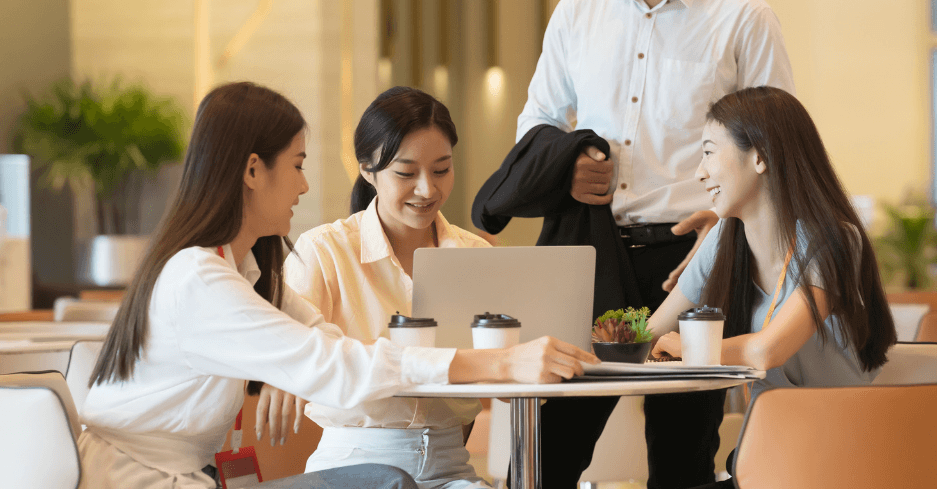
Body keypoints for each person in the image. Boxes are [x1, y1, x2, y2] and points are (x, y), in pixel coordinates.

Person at [78, 82, 598, 489]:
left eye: (441, 170)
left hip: (189, 476)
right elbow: (335, 368)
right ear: (254, 171)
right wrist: (497, 361)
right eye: (298, 165)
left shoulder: (250, 273)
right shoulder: (198, 279)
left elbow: (329, 344)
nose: (305, 185)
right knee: (384, 481)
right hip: (136, 480)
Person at [512, 0, 795, 486]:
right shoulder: (578, 10)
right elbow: (536, 124)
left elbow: (780, 146)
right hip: (592, 254)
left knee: (683, 452)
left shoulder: (743, 16)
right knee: (554, 445)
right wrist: (566, 167)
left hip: (696, 258)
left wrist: (726, 221)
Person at [648, 86, 898, 488]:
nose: (700, 171)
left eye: (710, 151)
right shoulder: (725, 239)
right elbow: (652, 331)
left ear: (760, 156)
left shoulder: (834, 240)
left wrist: (684, 348)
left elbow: (768, 349)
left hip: (838, 462)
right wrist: (587, 348)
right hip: (771, 457)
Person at [284, 86, 495, 488]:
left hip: (451, 468)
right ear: (367, 169)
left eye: (441, 169)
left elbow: (506, 373)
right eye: (405, 173)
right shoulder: (324, 251)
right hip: (351, 466)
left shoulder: (475, 253)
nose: (427, 190)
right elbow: (299, 360)